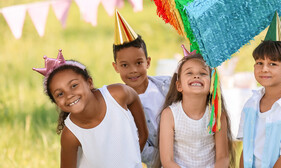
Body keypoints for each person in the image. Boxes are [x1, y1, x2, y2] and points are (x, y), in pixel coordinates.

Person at [33, 49, 148, 168]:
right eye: (60, 94)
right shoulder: (70, 135)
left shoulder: (117, 95)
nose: (69, 95)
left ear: (89, 83)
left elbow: (142, 130)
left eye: (74, 85)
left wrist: (133, 156)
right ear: (56, 103)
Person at [112, 10, 171, 167]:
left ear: (148, 62)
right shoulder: (121, 108)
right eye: (125, 65)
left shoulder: (168, 86)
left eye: (139, 63)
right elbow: (140, 148)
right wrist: (169, 161)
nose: (133, 70)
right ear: (115, 67)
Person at [237, 40, 281, 168]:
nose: (264, 69)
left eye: (272, 64)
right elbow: (246, 149)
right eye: (259, 63)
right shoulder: (250, 105)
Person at [158, 50, 234, 168]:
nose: (196, 76)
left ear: (212, 84)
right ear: (179, 85)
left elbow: (222, 158)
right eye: (189, 73)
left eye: (203, 73)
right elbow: (167, 161)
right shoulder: (169, 114)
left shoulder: (217, 115)